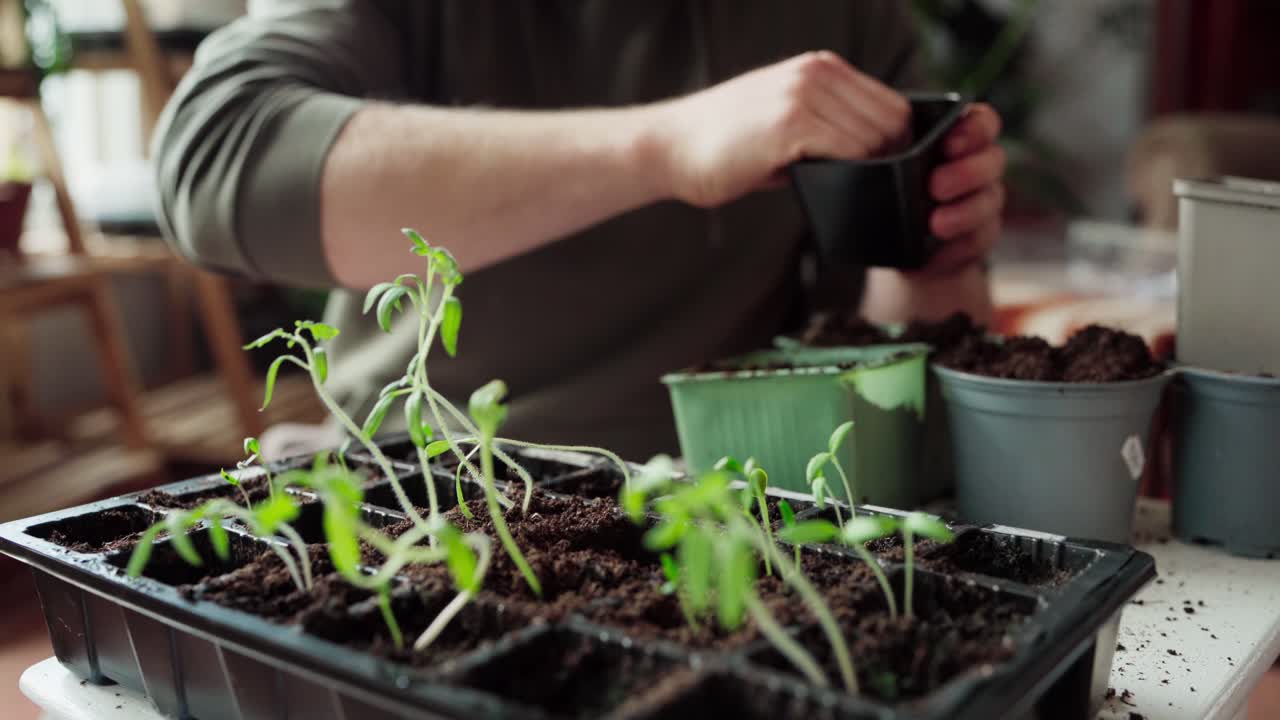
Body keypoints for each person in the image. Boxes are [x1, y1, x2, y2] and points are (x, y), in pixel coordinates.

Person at [153, 1, 1006, 459]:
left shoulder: (851, 20)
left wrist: (939, 254)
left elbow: (900, 345)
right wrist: (664, 146)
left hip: (743, 494)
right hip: (434, 484)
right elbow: (217, 167)